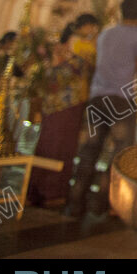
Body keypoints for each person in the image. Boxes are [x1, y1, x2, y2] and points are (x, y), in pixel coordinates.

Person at [66, 0, 137, 217]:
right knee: (119, 152)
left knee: (89, 149)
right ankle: (104, 202)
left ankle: (75, 202)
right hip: (121, 99)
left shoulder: (105, 33)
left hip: (97, 97)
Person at [26, 14, 100, 206]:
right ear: (87, 26)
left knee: (48, 142)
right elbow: (85, 66)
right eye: (93, 27)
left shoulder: (61, 45)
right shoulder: (81, 46)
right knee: (61, 146)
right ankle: (52, 192)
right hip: (69, 101)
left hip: (54, 102)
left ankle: (35, 189)